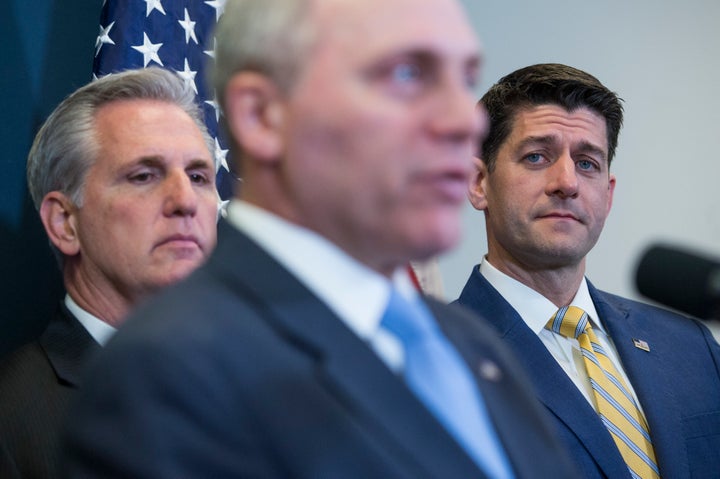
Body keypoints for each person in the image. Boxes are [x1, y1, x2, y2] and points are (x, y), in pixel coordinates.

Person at [61, 1, 580, 478]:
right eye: (407, 74)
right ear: (263, 115)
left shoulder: (473, 346)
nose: (465, 120)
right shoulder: (169, 374)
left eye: (465, 79)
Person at [455, 63, 720, 479]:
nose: (566, 182)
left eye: (587, 163)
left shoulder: (692, 347)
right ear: (478, 182)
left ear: (608, 194)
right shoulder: (432, 355)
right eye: (537, 156)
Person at [0, 67, 219, 478]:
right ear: (66, 222)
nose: (185, 200)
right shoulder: (10, 422)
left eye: (198, 176)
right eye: (144, 176)